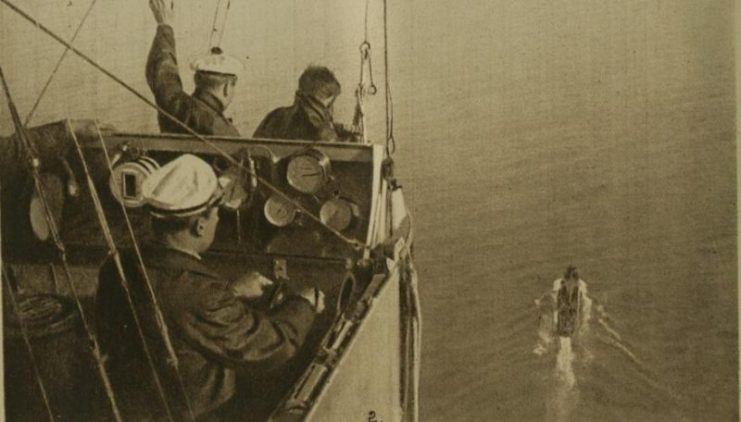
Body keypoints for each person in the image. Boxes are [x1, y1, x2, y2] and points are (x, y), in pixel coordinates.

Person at [95, 154, 325, 421]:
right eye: (216, 214)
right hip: (198, 413)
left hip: (135, 407)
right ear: (200, 224)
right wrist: (304, 304)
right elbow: (271, 346)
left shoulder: (116, 265)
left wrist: (230, 292)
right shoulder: (201, 294)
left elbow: (173, 308)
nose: (217, 221)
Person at [146, 0, 242, 136]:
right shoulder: (226, 132)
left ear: (196, 79)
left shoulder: (178, 107)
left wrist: (164, 26)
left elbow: (163, 73)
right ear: (227, 88)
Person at [253, 66, 357, 142]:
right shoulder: (321, 129)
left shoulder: (274, 116)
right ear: (329, 100)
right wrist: (350, 139)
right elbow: (336, 152)